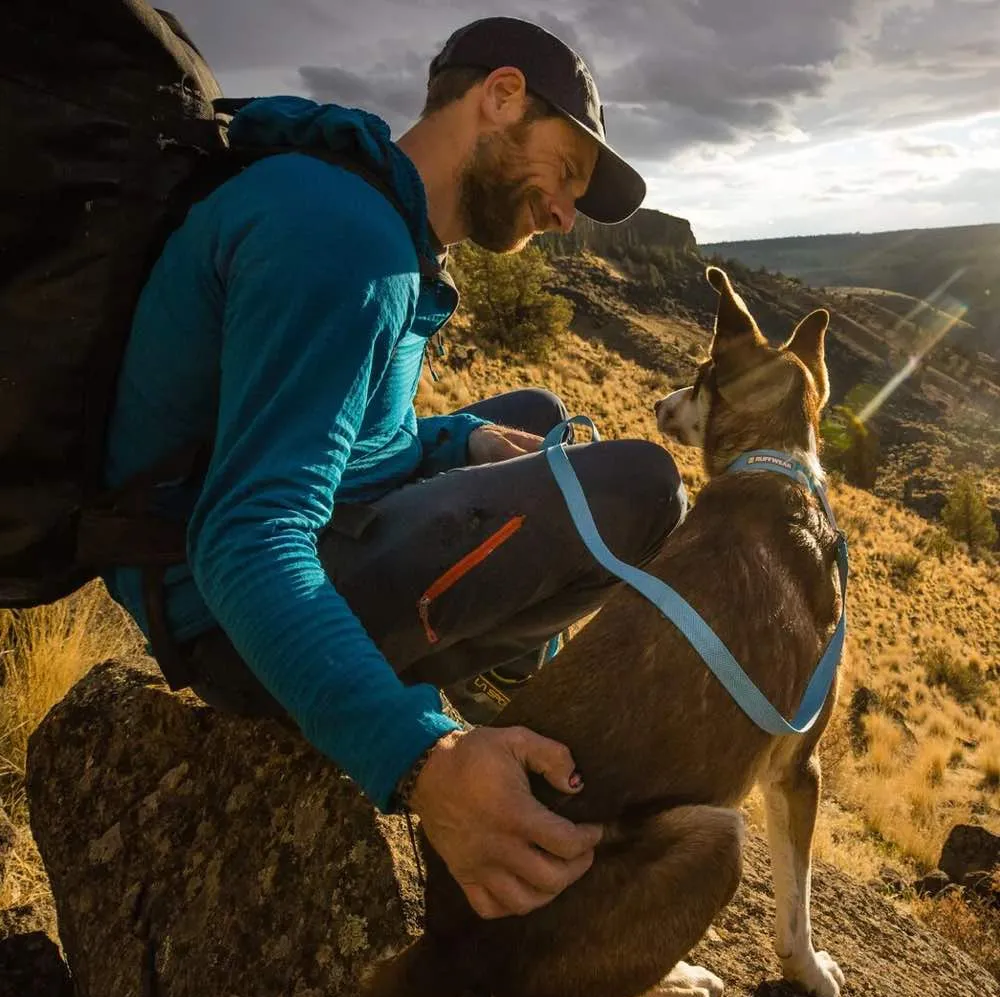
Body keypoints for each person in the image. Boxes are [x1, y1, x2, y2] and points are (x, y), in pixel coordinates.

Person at [100, 15, 686, 921]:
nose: (565, 213)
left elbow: (349, 442)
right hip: (223, 623)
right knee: (642, 488)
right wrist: (421, 758)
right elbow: (247, 538)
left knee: (532, 415)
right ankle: (495, 723)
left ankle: (495, 681)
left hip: (222, 557)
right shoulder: (345, 243)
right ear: (500, 97)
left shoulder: (378, 225)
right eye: (564, 171)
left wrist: (459, 444)